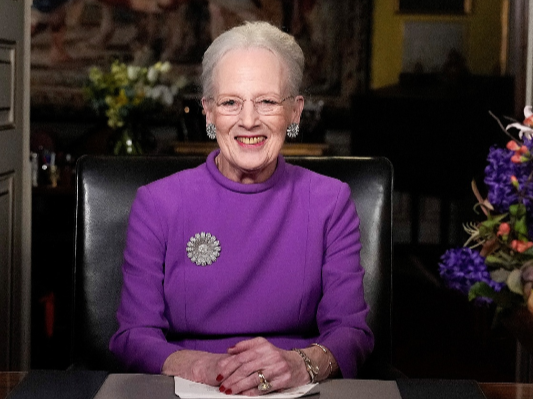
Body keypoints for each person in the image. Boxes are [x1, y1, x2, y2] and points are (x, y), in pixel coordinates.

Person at [109, 21, 373, 395]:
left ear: (295, 112)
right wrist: (204, 366)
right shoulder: (157, 203)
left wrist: (299, 364)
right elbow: (133, 335)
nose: (249, 121)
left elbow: (352, 332)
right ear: (208, 112)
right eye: (231, 102)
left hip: (295, 392)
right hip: (187, 389)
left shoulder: (330, 201)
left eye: (267, 101)